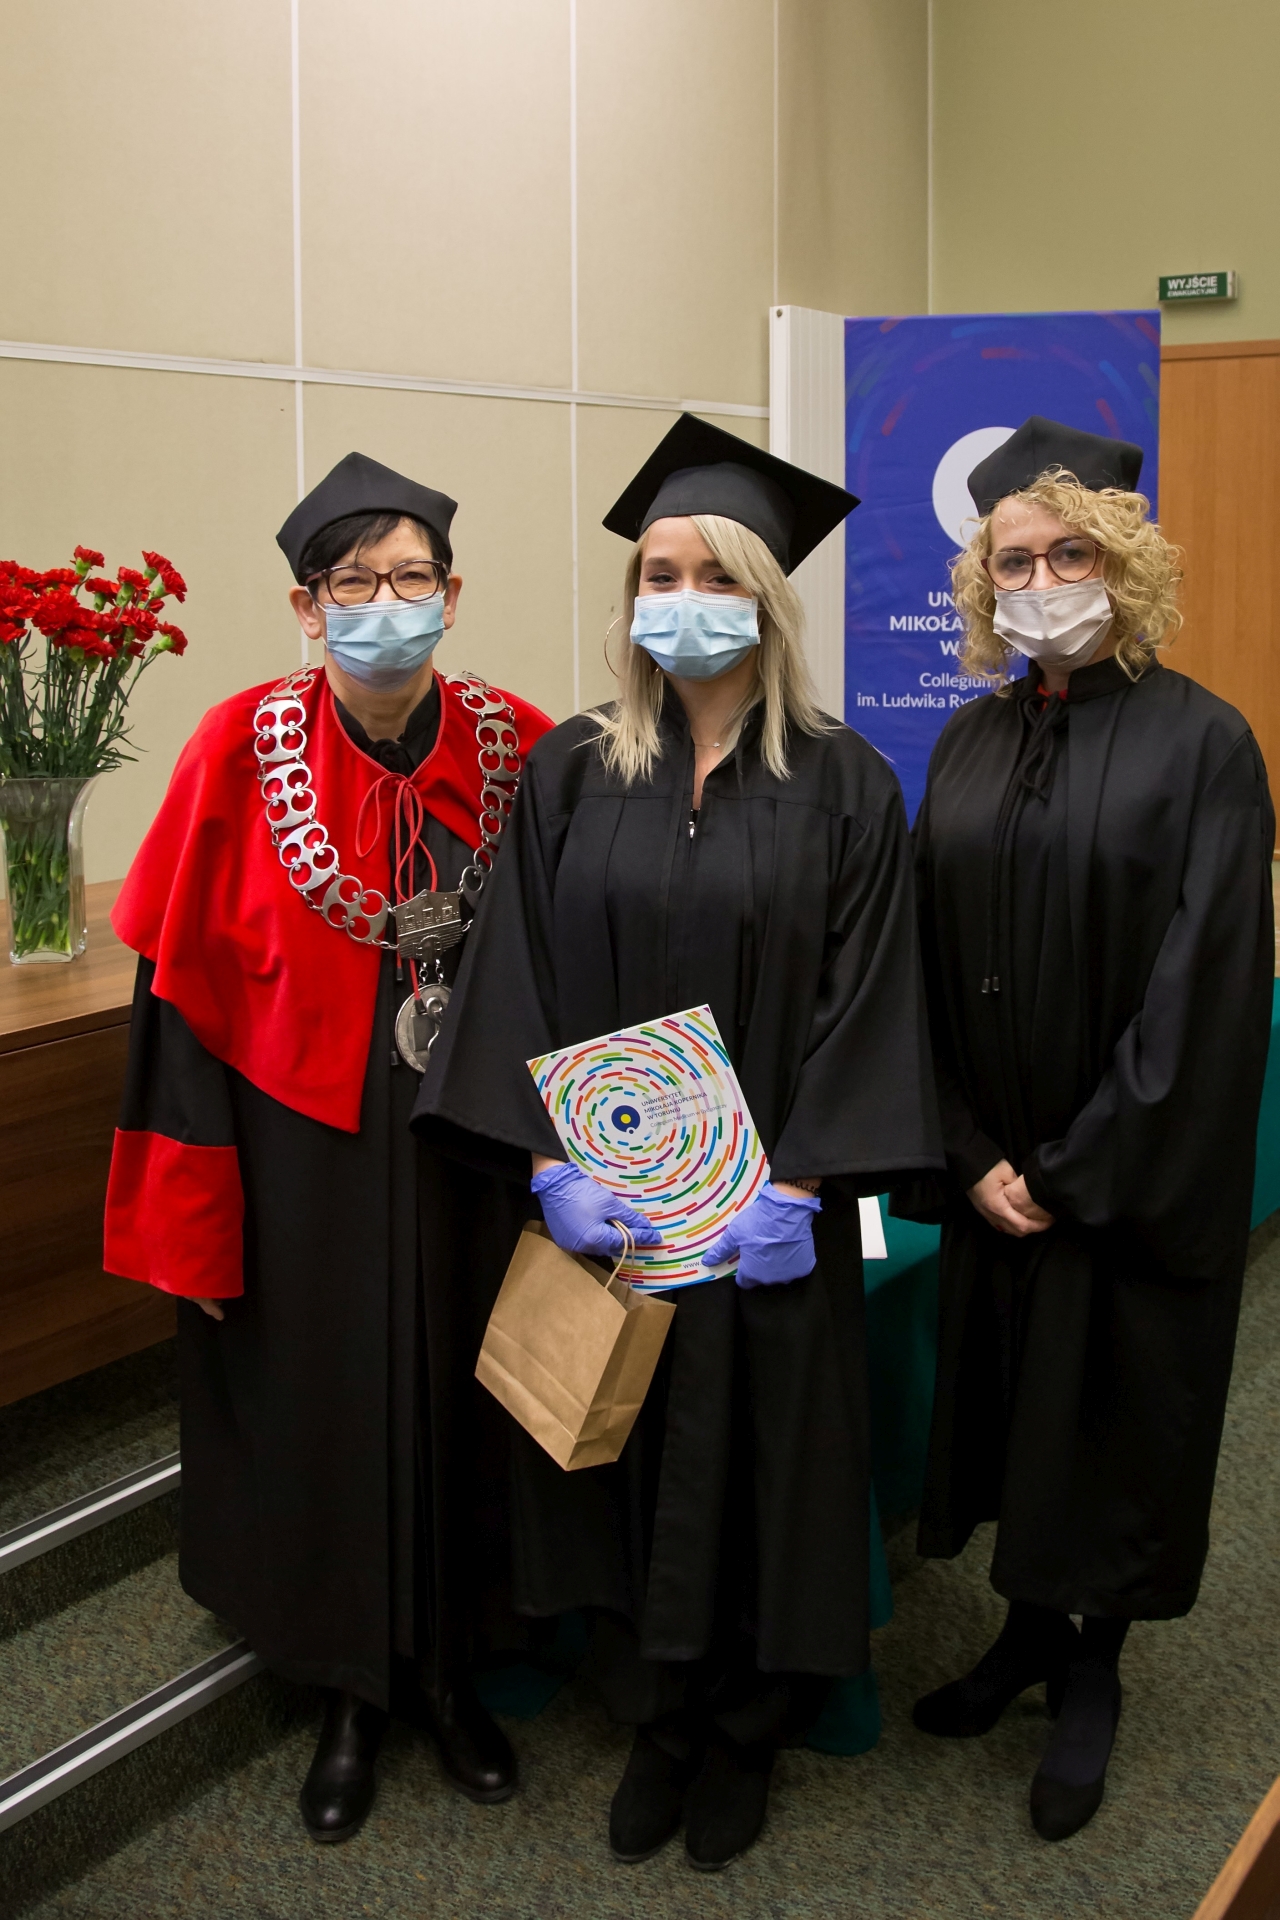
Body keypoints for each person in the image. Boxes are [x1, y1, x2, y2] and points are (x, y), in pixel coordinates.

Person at [411, 415, 943, 1871]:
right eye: (658, 572)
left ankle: (749, 1727)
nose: (680, 596)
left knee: (765, 1451)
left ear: (765, 598)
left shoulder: (846, 782)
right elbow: (517, 970)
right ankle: (656, 1716)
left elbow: (870, 993)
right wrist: (550, 1165)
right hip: (622, 1210)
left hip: (768, 1208)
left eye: (712, 573)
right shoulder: (573, 770)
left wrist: (802, 1182)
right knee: (626, 1446)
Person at [103, 452, 553, 1842]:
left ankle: (455, 1670)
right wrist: (192, 1219)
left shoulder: (523, 745)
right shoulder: (238, 750)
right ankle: (350, 1689)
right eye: (353, 583)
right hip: (295, 1160)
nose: (384, 605)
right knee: (319, 1406)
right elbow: (177, 1009)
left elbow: (584, 957)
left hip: (473, 1150)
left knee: (475, 1397)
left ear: (453, 595)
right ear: (307, 607)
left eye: (411, 578)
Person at [900, 417, 1275, 1841]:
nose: (1044, 581)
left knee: (1115, 1411)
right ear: (983, 583)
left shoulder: (1206, 743)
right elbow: (920, 964)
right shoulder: (969, 738)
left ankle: (1094, 1664)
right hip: (994, 1162)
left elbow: (1205, 985)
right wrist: (966, 1152)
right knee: (1012, 1405)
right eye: (1016, 561)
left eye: (1072, 555)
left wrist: (1072, 1168)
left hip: (1119, 1173)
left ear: (1125, 566)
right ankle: (1022, 1634)